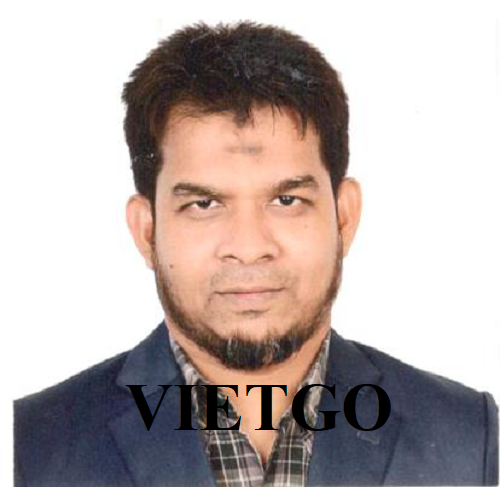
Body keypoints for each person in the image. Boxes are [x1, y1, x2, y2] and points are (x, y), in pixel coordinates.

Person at [14, 21, 498, 486]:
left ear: (344, 218)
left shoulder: (472, 440)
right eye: (204, 204)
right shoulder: (26, 448)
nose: (248, 249)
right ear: (147, 231)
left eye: (286, 200)